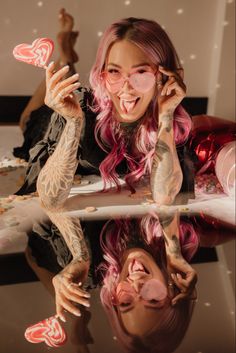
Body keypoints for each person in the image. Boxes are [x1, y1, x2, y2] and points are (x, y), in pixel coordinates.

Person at [22, 16, 196, 322]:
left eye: (141, 73)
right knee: (27, 121)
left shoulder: (170, 119)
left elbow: (164, 196)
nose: (125, 90)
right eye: (114, 73)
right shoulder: (82, 110)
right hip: (64, 125)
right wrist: (73, 122)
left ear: (166, 77)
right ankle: (65, 54)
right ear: (103, 75)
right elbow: (49, 198)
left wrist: (166, 116)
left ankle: (67, 57)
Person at [13, 8, 79, 161]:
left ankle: (64, 57)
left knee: (26, 120)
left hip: (50, 130)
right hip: (60, 126)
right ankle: (64, 57)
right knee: (28, 119)